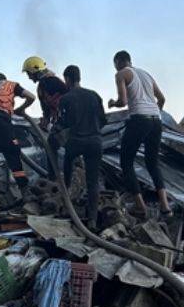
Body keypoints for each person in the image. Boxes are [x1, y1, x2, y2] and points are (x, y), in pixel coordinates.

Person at [108, 50, 171, 217]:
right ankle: (165, 206)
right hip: (156, 121)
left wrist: (113, 103)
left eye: (115, 65)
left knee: (126, 162)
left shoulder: (122, 74)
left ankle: (140, 207)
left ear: (119, 62)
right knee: (153, 163)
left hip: (139, 120)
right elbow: (162, 99)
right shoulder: (146, 74)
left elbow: (123, 101)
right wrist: (154, 113)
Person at [56, 65, 108, 228]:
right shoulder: (94, 95)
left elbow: (61, 124)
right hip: (95, 142)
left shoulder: (66, 98)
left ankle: (66, 206)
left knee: (67, 166)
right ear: (79, 77)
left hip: (76, 142)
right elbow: (103, 120)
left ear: (67, 79)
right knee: (92, 182)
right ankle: (91, 219)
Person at [22, 56, 69, 131]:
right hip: (59, 123)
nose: (29, 77)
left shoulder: (54, 82)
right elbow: (46, 111)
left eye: (29, 73)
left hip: (68, 124)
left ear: (35, 71)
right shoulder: (41, 88)